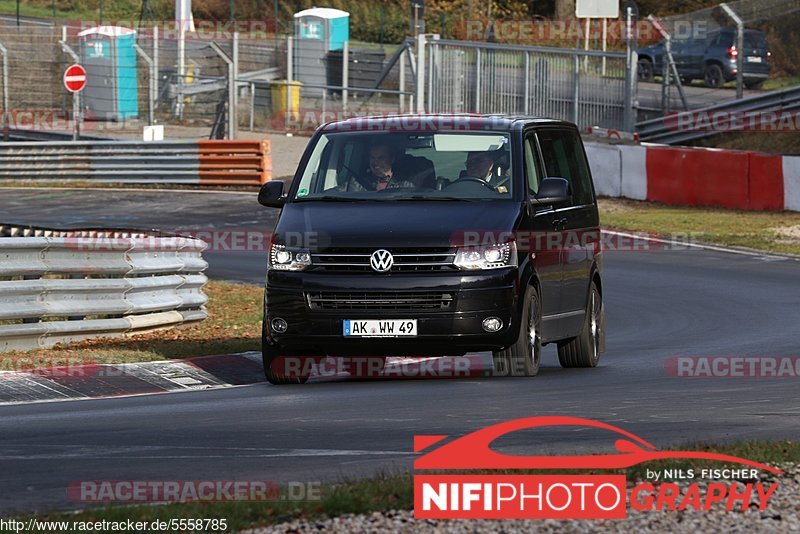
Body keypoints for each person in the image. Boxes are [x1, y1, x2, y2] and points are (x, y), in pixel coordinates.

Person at [341, 142, 415, 192]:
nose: (375, 162)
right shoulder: (357, 182)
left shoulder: (405, 184)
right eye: (373, 157)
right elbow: (332, 194)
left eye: (381, 158)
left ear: (392, 159)